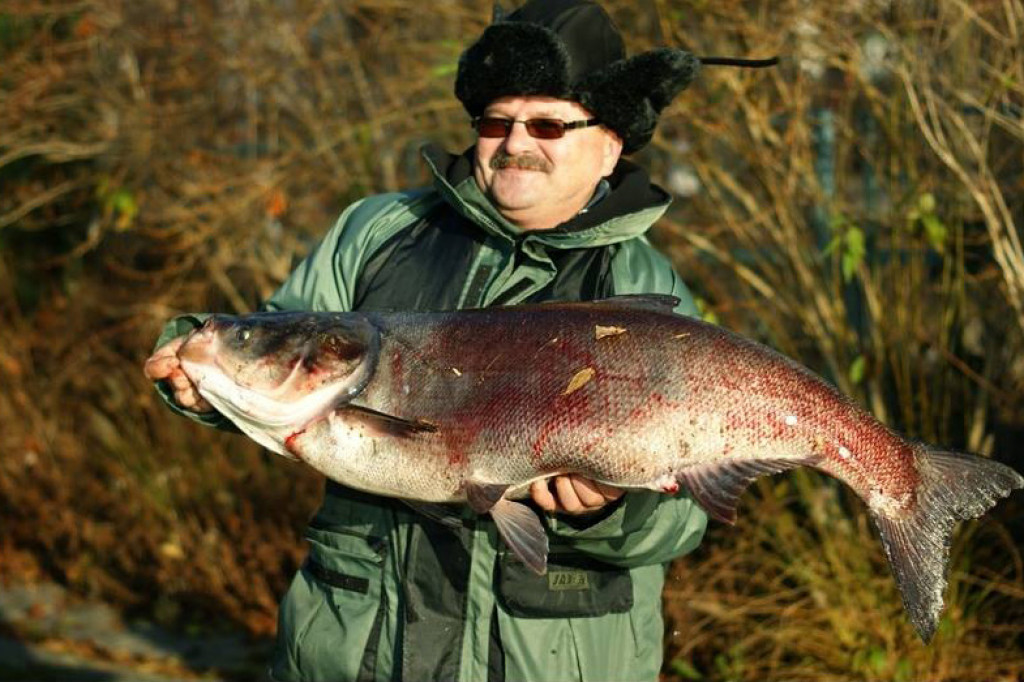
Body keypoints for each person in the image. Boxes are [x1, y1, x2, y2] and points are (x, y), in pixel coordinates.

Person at [145, 1, 775, 679]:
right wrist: (198, 375)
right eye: (495, 121)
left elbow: (684, 527)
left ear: (611, 145)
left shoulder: (650, 288)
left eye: (548, 124)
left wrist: (608, 511)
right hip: (355, 652)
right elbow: (275, 338)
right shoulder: (379, 230)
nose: (515, 143)